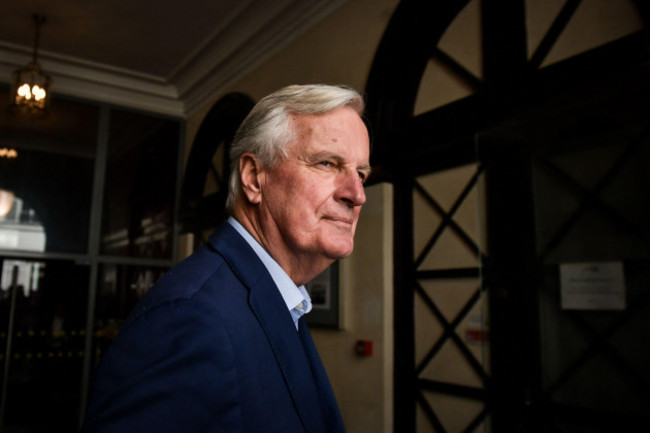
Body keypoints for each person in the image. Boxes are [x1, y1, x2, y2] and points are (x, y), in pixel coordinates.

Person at [82, 84, 371, 433]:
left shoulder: (278, 298)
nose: (357, 195)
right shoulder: (191, 317)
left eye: (361, 174)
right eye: (326, 163)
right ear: (253, 178)